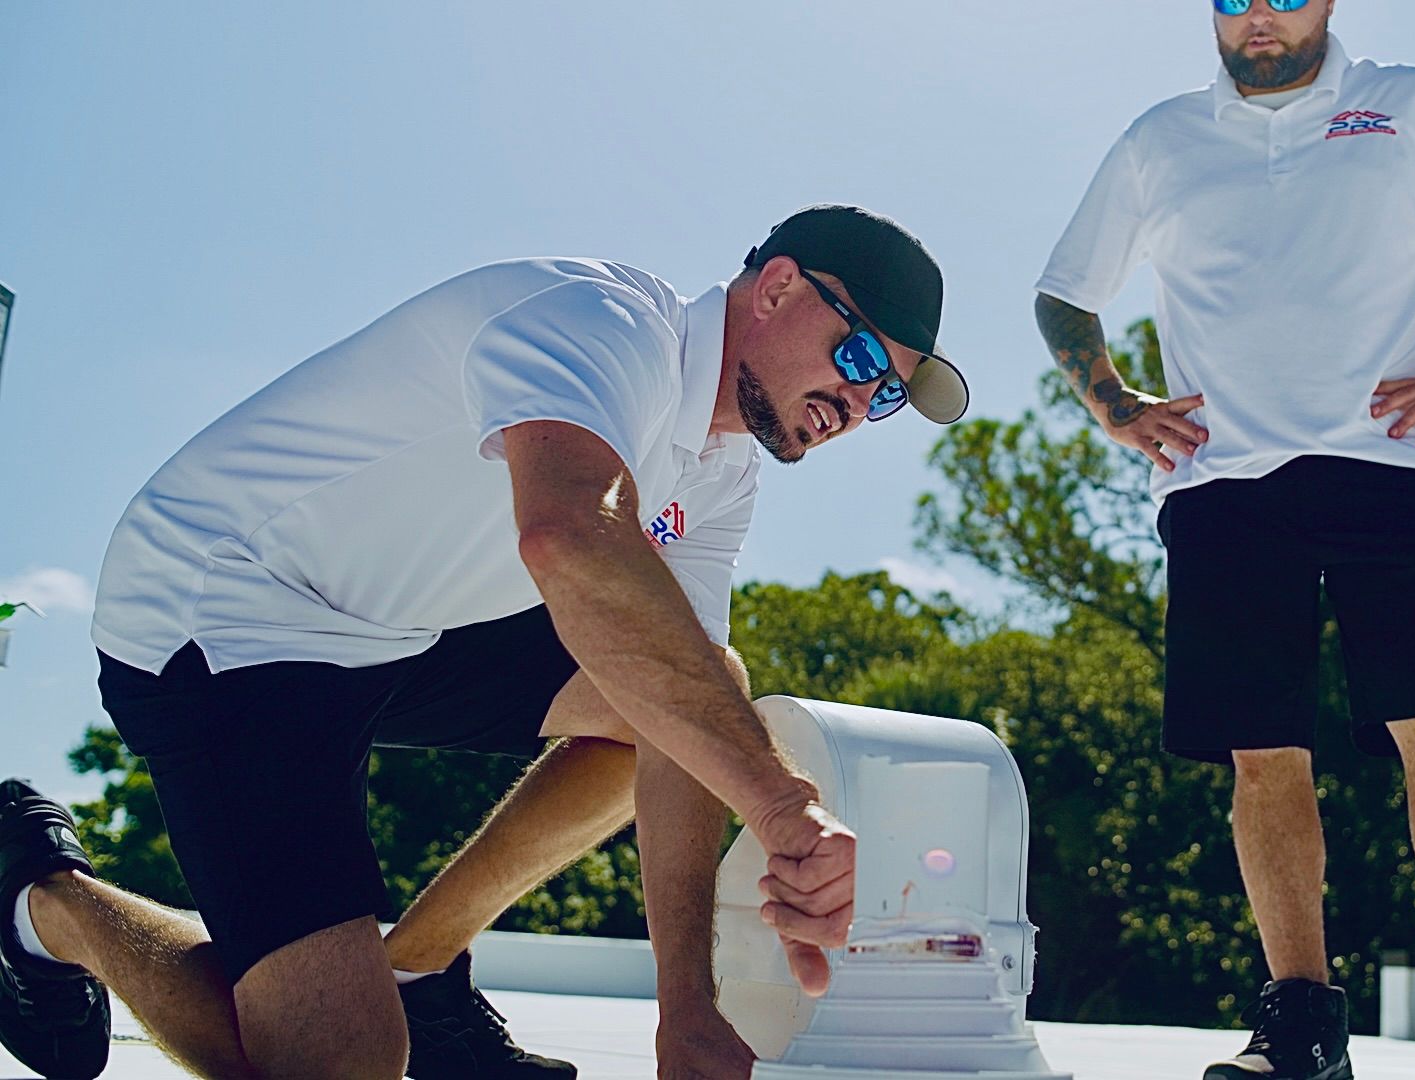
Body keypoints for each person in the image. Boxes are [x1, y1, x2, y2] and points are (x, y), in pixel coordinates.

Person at [0, 204, 971, 1080]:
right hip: (224, 609)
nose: (860, 405)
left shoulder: (722, 476)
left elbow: (678, 715)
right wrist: (785, 810)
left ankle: (419, 966)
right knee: (340, 1064)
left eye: (887, 397)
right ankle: (46, 899)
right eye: (858, 360)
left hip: (398, 629)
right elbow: (568, 532)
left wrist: (690, 1016)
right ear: (778, 286)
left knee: (699, 683)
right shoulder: (604, 323)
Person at [1034, 3, 1415, 1078]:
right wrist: (1115, 407)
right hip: (1225, 486)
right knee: (1261, 756)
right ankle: (1300, 1028)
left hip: (1397, 466)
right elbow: (1065, 295)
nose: (1260, 18)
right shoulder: (1161, 139)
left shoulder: (1412, 105)